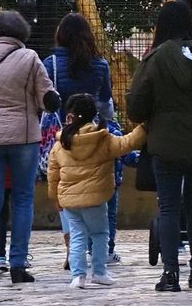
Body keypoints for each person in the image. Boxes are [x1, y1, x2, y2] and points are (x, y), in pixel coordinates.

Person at [127, 0, 192, 293]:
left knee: (169, 207)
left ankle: (171, 274)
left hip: (166, 142)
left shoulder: (155, 58)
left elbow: (136, 106)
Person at [0, 10, 60, 285]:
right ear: (21, 34)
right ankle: (18, 264)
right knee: (22, 199)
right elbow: (47, 97)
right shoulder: (30, 58)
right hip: (23, 138)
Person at [47, 93, 147, 289]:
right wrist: (144, 126)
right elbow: (127, 143)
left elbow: (53, 172)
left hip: (69, 201)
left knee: (77, 236)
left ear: (70, 116)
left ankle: (78, 276)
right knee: (100, 234)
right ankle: (99, 272)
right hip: (95, 198)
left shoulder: (62, 143)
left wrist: (55, 197)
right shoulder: (103, 138)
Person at [46, 13, 122, 263]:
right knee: (106, 189)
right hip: (94, 136)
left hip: (63, 137)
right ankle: (105, 249)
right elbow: (106, 105)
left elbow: (45, 101)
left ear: (60, 35)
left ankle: (73, 246)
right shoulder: (100, 65)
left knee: (65, 188)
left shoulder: (51, 64)